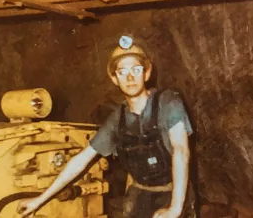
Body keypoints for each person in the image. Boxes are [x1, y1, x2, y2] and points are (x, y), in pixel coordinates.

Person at [17, 35, 196, 218]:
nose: (130, 77)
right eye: (122, 72)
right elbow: (81, 160)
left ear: (147, 73)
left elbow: (180, 149)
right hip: (140, 194)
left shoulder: (168, 103)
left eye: (136, 69)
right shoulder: (117, 120)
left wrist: (175, 208)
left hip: (175, 192)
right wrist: (40, 199)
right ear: (115, 79)